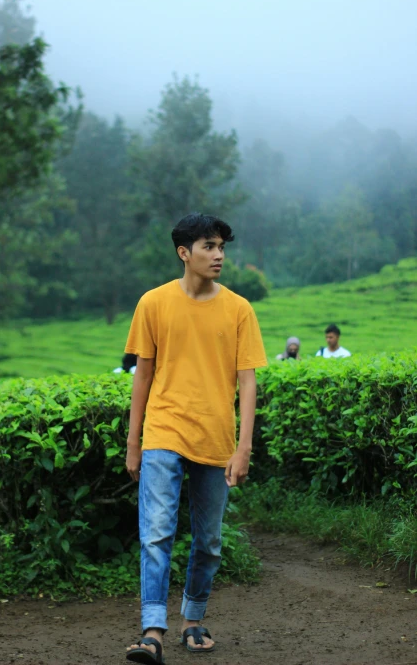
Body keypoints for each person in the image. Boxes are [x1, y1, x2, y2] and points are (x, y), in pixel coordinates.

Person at [124, 213, 267, 664]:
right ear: (184, 252)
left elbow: (247, 381)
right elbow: (142, 374)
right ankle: (152, 632)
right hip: (164, 431)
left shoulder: (239, 309)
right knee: (156, 533)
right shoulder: (153, 303)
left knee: (208, 541)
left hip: (216, 437)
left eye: (222, 246)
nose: (219, 254)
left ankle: (193, 620)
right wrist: (134, 442)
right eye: (209, 246)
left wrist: (243, 447)